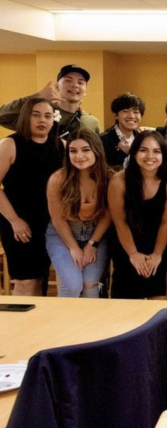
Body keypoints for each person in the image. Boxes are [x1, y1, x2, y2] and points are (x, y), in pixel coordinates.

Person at [0, 98, 64, 295]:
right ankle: (19, 325)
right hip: (17, 224)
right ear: (25, 117)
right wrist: (14, 220)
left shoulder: (61, 145)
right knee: (27, 281)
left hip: (50, 224)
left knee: (41, 279)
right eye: (35, 115)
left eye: (47, 115)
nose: (42, 120)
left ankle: (37, 325)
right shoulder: (10, 144)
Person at [107, 131, 167, 299]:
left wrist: (157, 254)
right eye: (143, 150)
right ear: (134, 153)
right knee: (127, 301)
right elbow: (120, 222)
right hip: (126, 242)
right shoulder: (119, 181)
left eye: (156, 151)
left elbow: (166, 222)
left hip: (158, 243)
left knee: (158, 299)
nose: (150, 156)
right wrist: (133, 254)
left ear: (164, 155)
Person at [45, 130, 112, 298]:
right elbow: (57, 218)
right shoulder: (58, 179)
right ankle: (63, 325)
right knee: (72, 286)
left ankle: (92, 325)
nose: (79, 155)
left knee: (90, 286)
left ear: (96, 150)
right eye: (73, 151)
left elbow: (108, 215)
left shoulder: (109, 177)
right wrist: (73, 247)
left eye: (85, 149)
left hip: (96, 234)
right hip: (62, 235)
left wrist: (92, 244)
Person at [0, 65, 100, 137]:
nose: (75, 85)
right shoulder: (39, 115)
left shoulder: (91, 122)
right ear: (57, 87)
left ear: (86, 91)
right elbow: (2, 116)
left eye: (80, 82)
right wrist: (37, 97)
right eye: (68, 80)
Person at [100, 92, 145, 171]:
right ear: (115, 115)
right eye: (125, 111)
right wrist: (122, 153)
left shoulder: (142, 139)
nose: (131, 116)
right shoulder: (103, 140)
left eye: (136, 112)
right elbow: (103, 171)